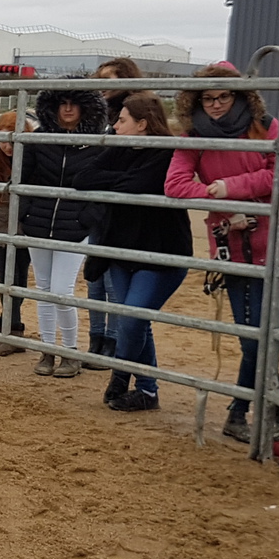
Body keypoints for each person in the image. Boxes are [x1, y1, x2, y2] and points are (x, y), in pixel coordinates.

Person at [166, 62, 279, 443]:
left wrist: (229, 187)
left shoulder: (267, 127)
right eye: (207, 98)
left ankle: (251, 408)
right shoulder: (194, 135)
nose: (215, 104)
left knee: (266, 330)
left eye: (223, 96)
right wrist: (213, 193)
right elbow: (175, 184)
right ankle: (253, 408)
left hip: (277, 244)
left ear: (240, 95)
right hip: (234, 244)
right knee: (252, 334)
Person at [77, 91, 192, 411]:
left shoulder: (167, 153)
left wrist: (114, 181)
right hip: (121, 250)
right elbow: (83, 177)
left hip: (161, 252)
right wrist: (122, 180)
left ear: (142, 124)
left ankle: (120, 377)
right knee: (136, 321)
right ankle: (148, 390)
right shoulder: (118, 149)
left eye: (122, 120)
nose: (114, 126)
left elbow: (139, 185)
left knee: (131, 319)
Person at [18, 84, 108, 379]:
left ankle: (70, 352)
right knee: (43, 290)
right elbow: (25, 176)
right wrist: (26, 213)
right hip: (39, 223)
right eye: (62, 103)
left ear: (86, 107)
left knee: (61, 291)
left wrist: (87, 219)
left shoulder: (98, 143)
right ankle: (48, 350)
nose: (67, 109)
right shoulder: (40, 138)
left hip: (74, 227)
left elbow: (103, 186)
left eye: (74, 103)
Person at [83, 58, 143, 369]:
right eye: (100, 77)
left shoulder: (135, 114)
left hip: (119, 210)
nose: (103, 83)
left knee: (113, 279)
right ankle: (96, 338)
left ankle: (114, 339)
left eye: (110, 78)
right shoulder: (96, 115)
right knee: (94, 276)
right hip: (96, 208)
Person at [0, 108, 34, 356]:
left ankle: (13, 328)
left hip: (24, 221)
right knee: (5, 276)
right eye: (3, 138)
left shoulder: (33, 155)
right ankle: (8, 324)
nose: (7, 145)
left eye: (13, 138)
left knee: (16, 276)